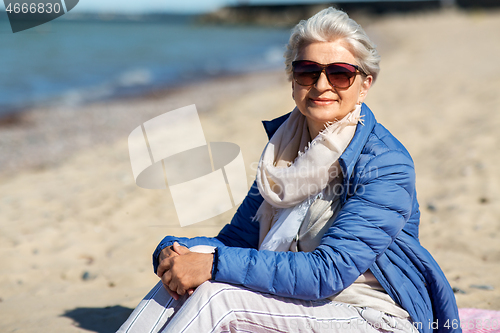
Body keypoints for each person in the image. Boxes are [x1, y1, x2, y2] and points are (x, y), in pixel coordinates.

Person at [117, 7, 461, 333]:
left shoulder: (386, 164)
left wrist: (212, 265)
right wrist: (172, 252)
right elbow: (236, 242)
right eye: (308, 71)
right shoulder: (282, 154)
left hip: (373, 315)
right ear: (293, 79)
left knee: (217, 295)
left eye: (341, 74)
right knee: (187, 277)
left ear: (364, 85)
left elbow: (328, 272)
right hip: (297, 305)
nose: (322, 84)